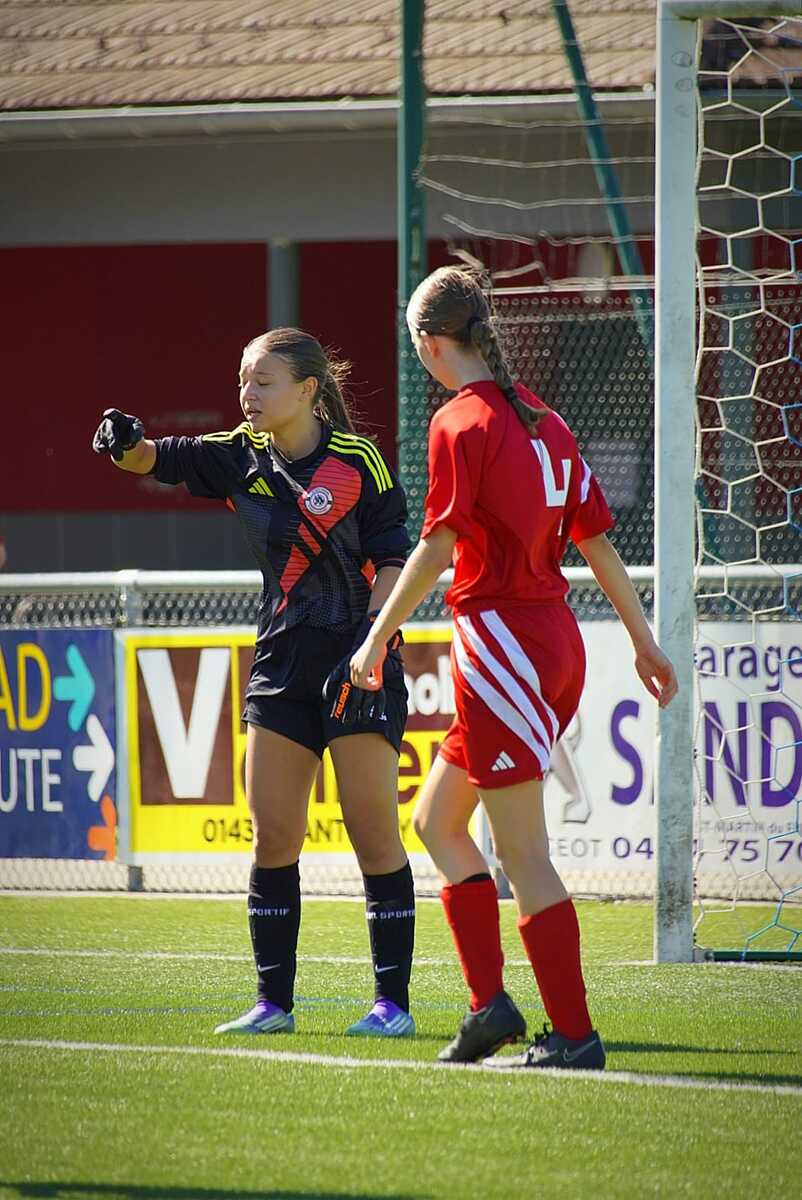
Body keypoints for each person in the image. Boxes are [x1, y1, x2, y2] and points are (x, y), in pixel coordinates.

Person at [351, 267, 677, 1069]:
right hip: (551, 640)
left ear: (428, 344)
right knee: (437, 821)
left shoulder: (460, 422)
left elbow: (437, 546)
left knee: (523, 854)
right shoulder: (544, 419)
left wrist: (375, 638)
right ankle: (489, 1008)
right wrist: (642, 641)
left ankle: (574, 1034)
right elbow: (597, 541)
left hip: (502, 645)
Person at [92, 328, 416, 1039]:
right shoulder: (238, 455)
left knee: (373, 836)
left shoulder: (359, 460)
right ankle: (274, 1005)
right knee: (273, 837)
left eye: (263, 382)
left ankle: (392, 1005)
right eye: (243, 380)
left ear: (307, 389)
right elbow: (155, 458)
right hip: (279, 668)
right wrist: (124, 442)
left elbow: (396, 557)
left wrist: (373, 642)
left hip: (357, 663)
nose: (248, 394)